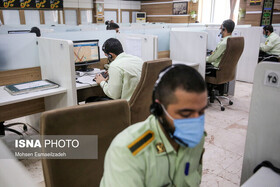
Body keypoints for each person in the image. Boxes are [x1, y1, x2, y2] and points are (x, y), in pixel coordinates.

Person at [100, 64, 207, 187]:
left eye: (201, 112)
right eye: (186, 113)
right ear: (159, 108)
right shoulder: (127, 152)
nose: (195, 122)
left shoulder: (197, 137)